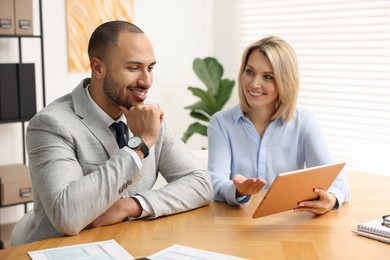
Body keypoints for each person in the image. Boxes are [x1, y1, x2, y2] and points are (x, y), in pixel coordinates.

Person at [24, 21, 212, 243]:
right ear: (98, 68)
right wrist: (140, 145)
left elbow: (201, 183)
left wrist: (132, 205)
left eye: (150, 67)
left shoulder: (149, 114)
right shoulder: (50, 124)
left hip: (131, 245)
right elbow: (68, 216)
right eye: (133, 68)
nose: (146, 81)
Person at [208, 36, 350, 215]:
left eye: (267, 77)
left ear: (285, 81)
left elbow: (338, 181)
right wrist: (239, 190)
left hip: (288, 224)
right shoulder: (221, 123)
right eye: (250, 72)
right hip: (237, 225)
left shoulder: (304, 121)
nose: (254, 84)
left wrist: (331, 199)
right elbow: (215, 181)